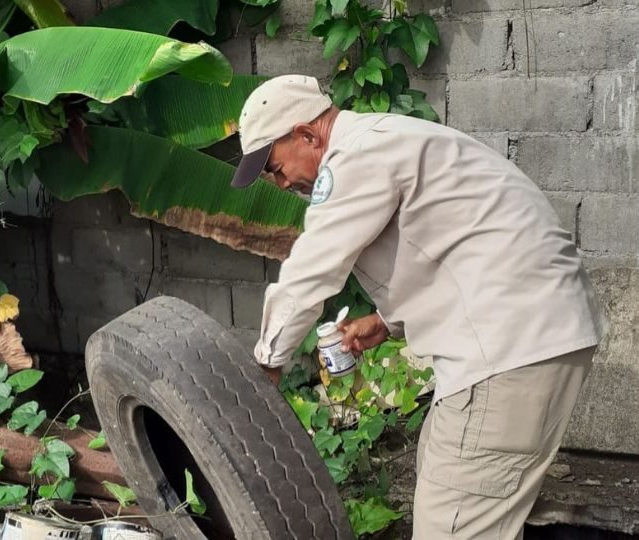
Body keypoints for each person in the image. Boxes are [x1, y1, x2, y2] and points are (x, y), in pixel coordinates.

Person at [230, 74, 604, 539]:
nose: (277, 181)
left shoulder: (355, 158)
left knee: (451, 523)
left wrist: (268, 361)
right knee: (447, 484)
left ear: (307, 134)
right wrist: (388, 321)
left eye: (273, 166)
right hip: (530, 332)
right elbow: (460, 236)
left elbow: (312, 269)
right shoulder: (389, 138)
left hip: (508, 349)